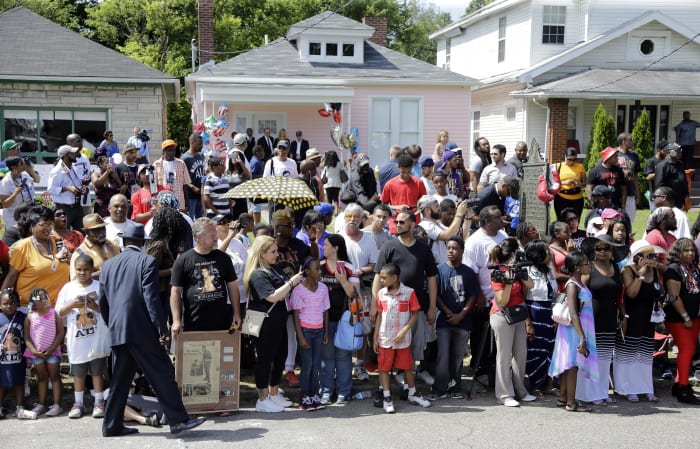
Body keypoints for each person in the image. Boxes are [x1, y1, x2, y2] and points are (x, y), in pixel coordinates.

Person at [98, 223, 206, 436]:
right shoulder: (146, 261)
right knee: (163, 372)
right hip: (141, 329)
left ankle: (111, 425)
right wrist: (161, 328)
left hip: (118, 329)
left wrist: (113, 324)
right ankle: (178, 420)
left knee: (120, 380)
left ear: (124, 242)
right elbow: (151, 298)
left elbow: (103, 301)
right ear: (143, 243)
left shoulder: (108, 265)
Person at [372, 211, 438, 388]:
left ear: (412, 225)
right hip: (391, 307)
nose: (398, 225)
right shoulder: (389, 246)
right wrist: (374, 305)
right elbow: (378, 276)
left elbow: (432, 278)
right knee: (394, 344)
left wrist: (432, 306)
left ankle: (414, 376)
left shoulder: (424, 248)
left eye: (402, 222)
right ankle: (399, 375)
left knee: (416, 344)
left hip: (417, 307)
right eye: (396, 222)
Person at [243, 235, 304, 412]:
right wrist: (292, 282)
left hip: (279, 321)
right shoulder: (257, 273)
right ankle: (262, 399)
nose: (277, 254)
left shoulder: (274, 267)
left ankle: (274, 392)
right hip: (265, 322)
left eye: (277, 250)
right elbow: (273, 296)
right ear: (261, 253)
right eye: (273, 251)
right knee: (265, 360)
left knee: (280, 356)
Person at [56, 255, 110, 419]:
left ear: (92, 270)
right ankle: (78, 403)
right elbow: (59, 312)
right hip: (77, 339)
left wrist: (95, 306)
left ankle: (99, 401)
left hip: (96, 338)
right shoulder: (68, 288)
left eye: (86, 269)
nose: (82, 272)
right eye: (79, 269)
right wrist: (72, 305)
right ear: (74, 270)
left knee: (97, 371)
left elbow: (109, 311)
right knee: (78, 372)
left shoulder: (100, 287)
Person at [373, 263, 431, 413]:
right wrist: (375, 337)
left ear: (395, 278)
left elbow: (415, 314)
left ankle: (412, 393)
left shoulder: (409, 293)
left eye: (384, 278)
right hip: (385, 338)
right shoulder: (381, 294)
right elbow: (380, 315)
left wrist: (405, 330)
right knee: (384, 368)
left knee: (407, 367)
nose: (382, 280)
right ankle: (387, 397)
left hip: (403, 340)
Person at [170, 217, 241, 334]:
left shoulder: (223, 258)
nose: (216, 238)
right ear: (199, 238)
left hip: (221, 323)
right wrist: (176, 320)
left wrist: (236, 314)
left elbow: (232, 286)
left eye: (216, 234)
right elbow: (175, 291)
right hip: (193, 324)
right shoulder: (183, 260)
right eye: (212, 235)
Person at [488, 238, 537, 407]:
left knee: (520, 354)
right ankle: (504, 394)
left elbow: (531, 285)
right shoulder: (497, 272)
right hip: (502, 317)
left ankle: (520, 390)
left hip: (518, 315)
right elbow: (502, 300)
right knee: (504, 356)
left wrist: (521, 273)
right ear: (513, 254)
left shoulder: (516, 268)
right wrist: (508, 283)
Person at [428, 236, 477, 400]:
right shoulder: (440, 270)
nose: (450, 251)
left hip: (463, 321)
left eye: (454, 248)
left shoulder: (468, 272)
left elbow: (472, 296)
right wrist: (449, 313)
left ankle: (455, 386)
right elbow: (437, 295)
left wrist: (462, 314)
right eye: (448, 248)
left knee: (458, 356)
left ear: (462, 251)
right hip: (444, 320)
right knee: (443, 355)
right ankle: (439, 388)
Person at [577, 235, 625, 406]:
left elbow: (619, 296)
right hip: (590, 318)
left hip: (610, 317)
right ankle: (589, 393)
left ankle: (602, 391)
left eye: (606, 248)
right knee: (591, 358)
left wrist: (624, 316)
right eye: (598, 248)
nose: (602, 251)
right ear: (593, 251)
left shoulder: (616, 268)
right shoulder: (588, 268)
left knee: (605, 358)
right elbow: (579, 291)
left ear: (612, 251)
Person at [615, 241, 664, 402]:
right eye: (648, 255)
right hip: (632, 317)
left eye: (653, 255)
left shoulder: (655, 272)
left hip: (649, 319)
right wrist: (641, 273)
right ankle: (629, 388)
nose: (652, 258)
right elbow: (631, 294)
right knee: (630, 354)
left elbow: (658, 291)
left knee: (645, 356)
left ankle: (645, 387)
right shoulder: (627, 271)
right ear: (638, 257)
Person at [548, 251, 596, 413]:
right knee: (572, 365)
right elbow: (573, 312)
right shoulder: (572, 285)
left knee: (570, 364)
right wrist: (582, 337)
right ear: (576, 268)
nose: (588, 266)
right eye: (585, 263)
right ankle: (571, 402)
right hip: (574, 330)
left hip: (580, 328)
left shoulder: (580, 282)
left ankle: (563, 397)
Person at [1, 206, 71, 309]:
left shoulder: (57, 242)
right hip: (32, 309)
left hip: (60, 306)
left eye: (50, 224)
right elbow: (11, 277)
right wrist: (2, 303)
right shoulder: (22, 247)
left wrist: (70, 258)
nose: (48, 228)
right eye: (43, 224)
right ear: (32, 226)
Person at [318, 235, 359, 404]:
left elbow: (353, 294)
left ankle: (344, 391)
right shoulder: (319, 267)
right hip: (323, 320)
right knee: (326, 357)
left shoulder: (348, 268)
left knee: (343, 357)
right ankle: (326, 390)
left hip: (344, 320)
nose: (323, 248)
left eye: (326, 245)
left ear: (336, 248)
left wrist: (342, 280)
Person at [663, 238, 700, 404]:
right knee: (686, 351)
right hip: (679, 318)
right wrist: (685, 316)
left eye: (692, 250)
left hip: (694, 317)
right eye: (686, 250)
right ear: (678, 252)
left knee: (689, 352)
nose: (690, 253)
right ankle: (683, 389)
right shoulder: (673, 270)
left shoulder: (693, 269)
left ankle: (679, 384)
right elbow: (673, 296)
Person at [290, 257, 330, 411]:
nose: (320, 272)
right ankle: (304, 395)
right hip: (306, 331)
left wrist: (326, 331)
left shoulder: (323, 288)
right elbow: (295, 315)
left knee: (316, 365)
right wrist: (300, 337)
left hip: (319, 331)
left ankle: (313, 394)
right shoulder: (299, 290)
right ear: (307, 271)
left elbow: (325, 310)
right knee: (308, 365)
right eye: (317, 269)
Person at [523, 240, 558, 396]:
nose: (549, 254)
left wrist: (557, 317)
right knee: (536, 351)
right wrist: (528, 323)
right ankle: (536, 385)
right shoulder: (527, 272)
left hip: (549, 316)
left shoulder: (549, 271)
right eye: (546, 251)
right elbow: (522, 299)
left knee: (550, 349)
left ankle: (549, 384)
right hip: (534, 314)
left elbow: (555, 295)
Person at [23, 288, 64, 417]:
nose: (41, 300)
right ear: (32, 302)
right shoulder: (30, 317)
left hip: (53, 352)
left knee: (55, 377)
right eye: (37, 299)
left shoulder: (54, 313)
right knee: (41, 377)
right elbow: (27, 337)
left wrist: (52, 348)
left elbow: (61, 332)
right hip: (36, 354)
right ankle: (41, 404)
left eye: (43, 297)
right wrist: (34, 351)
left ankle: (57, 405)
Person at [0, 288, 29, 419]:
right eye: (5, 303)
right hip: (2, 359)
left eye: (12, 303)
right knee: (1, 383)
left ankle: (20, 407)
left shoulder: (23, 318)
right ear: (0, 304)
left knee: (19, 381)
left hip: (19, 357)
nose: (9, 306)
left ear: (18, 303)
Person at [381, 155, 427, 234]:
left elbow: (424, 201)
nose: (406, 175)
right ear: (398, 167)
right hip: (396, 226)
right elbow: (383, 206)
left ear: (412, 168)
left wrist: (418, 207)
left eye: (408, 172)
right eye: (403, 172)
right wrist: (397, 207)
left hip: (414, 226)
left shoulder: (418, 183)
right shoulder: (389, 184)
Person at [70, 213, 120, 281]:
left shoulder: (113, 245)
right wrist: (100, 274)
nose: (101, 232)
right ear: (87, 232)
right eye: (96, 230)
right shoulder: (80, 253)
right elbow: (75, 280)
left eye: (103, 228)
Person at [47, 144, 86, 230]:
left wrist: (81, 188)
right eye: (73, 153)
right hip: (63, 209)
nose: (76, 154)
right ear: (66, 156)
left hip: (77, 206)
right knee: (63, 235)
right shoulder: (57, 171)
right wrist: (67, 188)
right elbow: (50, 189)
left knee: (82, 234)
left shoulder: (73, 167)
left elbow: (76, 183)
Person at [152, 139, 189, 212]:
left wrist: (187, 202)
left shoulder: (181, 163)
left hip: (179, 200)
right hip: (162, 201)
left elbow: (185, 184)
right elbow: (153, 186)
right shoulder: (156, 164)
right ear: (164, 151)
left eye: (173, 150)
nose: (172, 153)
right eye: (169, 150)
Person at [0, 157, 35, 232]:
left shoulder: (25, 174)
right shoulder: (6, 181)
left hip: (28, 212)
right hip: (13, 217)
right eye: (21, 164)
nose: (24, 165)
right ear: (13, 167)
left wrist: (31, 170)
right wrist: (16, 193)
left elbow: (37, 179)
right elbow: (4, 204)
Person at [554, 148, 586, 219]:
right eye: (569, 159)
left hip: (577, 198)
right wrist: (565, 182)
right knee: (562, 220)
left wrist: (578, 184)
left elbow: (584, 184)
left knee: (575, 221)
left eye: (574, 159)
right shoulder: (558, 166)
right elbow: (552, 182)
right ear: (564, 156)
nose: (572, 162)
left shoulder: (580, 167)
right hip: (562, 198)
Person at [615, 133, 641, 222]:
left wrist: (637, 193)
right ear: (624, 141)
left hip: (630, 192)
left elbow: (636, 176)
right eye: (631, 140)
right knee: (615, 219)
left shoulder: (634, 155)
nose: (633, 142)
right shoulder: (614, 154)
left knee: (629, 220)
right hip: (616, 193)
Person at [655, 143, 688, 210]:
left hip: (679, 200)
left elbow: (683, 180)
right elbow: (659, 185)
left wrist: (686, 195)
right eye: (677, 151)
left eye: (680, 150)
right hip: (668, 202)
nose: (679, 152)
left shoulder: (680, 164)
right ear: (669, 153)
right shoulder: (663, 165)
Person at [181, 133, 205, 220]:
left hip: (201, 194)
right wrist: (193, 187)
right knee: (190, 219)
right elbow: (181, 176)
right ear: (192, 143)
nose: (201, 146)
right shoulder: (185, 158)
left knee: (201, 220)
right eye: (199, 144)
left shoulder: (201, 156)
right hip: (190, 195)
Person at [549, 221, 575, 292]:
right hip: (559, 290)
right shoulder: (550, 250)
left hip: (570, 287)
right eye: (566, 232)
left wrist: (572, 252)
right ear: (557, 234)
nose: (570, 234)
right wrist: (574, 279)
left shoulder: (568, 248)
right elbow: (554, 275)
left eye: (570, 231)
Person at [644, 141, 668, 212]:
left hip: (666, 195)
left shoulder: (667, 161)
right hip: (655, 195)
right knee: (655, 218)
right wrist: (660, 172)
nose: (666, 152)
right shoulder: (651, 161)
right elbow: (648, 177)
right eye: (664, 150)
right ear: (658, 150)